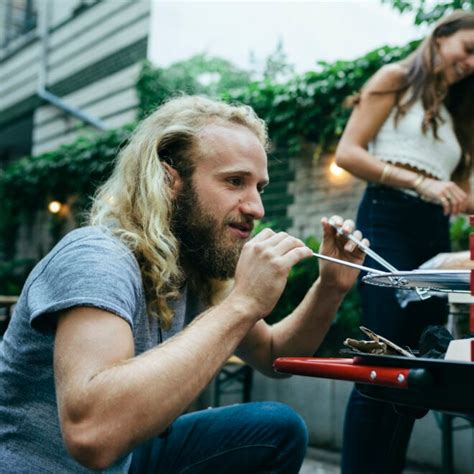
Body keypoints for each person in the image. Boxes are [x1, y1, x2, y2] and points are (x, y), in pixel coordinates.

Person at [0, 95, 368, 473]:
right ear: (168, 181)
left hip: (124, 462)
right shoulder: (98, 257)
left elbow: (275, 354)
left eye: (259, 186)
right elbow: (92, 436)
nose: (256, 207)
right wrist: (242, 303)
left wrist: (331, 287)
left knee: (277, 428)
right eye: (235, 181)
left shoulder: (193, 267)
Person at [335, 10, 474, 474]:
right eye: (468, 49)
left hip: (432, 230)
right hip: (387, 216)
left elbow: (461, 193)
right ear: (440, 35)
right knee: (384, 358)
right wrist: (421, 184)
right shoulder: (394, 78)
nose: (472, 63)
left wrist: (445, 192)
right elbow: (348, 152)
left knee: (419, 366)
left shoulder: (456, 112)